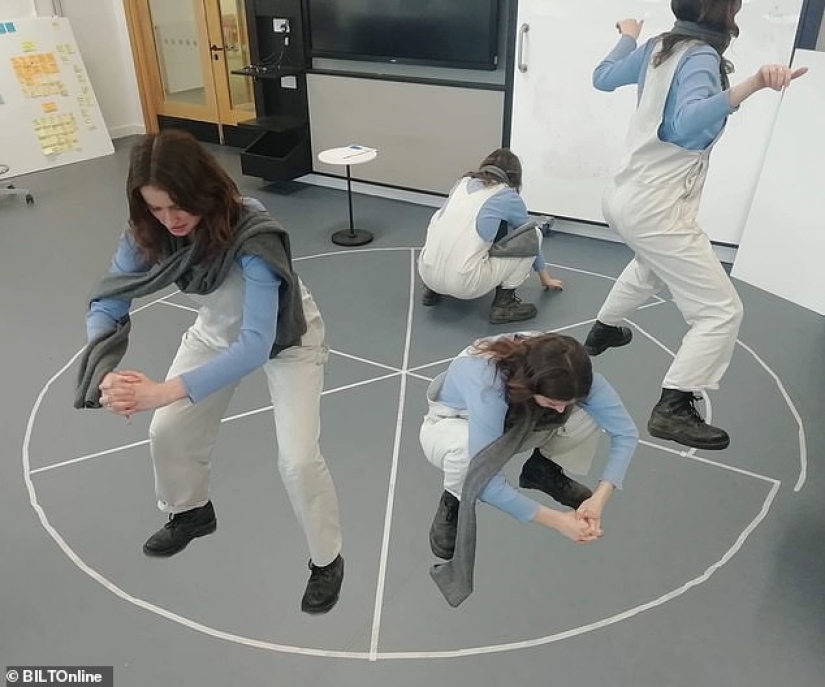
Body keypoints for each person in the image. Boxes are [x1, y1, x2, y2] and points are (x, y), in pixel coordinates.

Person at [75, 130, 344, 615]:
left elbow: (255, 346)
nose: (169, 220)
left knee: (298, 459)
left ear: (204, 190)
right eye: (156, 209)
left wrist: (161, 391)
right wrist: (106, 367)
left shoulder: (251, 234)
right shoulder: (149, 230)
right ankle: (192, 511)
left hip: (287, 337)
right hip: (215, 331)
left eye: (178, 206)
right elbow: (109, 298)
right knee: (168, 431)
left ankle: (327, 559)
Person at [583, 0, 807, 450]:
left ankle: (604, 328)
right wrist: (752, 86)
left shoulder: (659, 46)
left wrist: (627, 33)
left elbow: (602, 78)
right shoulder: (701, 55)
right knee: (721, 311)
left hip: (624, 196)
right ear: (726, 11)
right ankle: (674, 404)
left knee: (649, 265)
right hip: (656, 206)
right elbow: (684, 124)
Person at [420, 332, 638, 562]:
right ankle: (455, 497)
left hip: (517, 418)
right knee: (465, 454)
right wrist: (559, 522)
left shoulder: (569, 369)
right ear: (530, 386)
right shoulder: (487, 388)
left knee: (592, 411)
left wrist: (599, 499)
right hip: (456, 421)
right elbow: (485, 480)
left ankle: (544, 469)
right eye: (553, 402)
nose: (562, 411)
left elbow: (625, 433)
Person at [417, 148, 563, 325]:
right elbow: (529, 237)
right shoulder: (507, 195)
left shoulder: (461, 184)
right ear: (515, 177)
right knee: (535, 234)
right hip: (465, 284)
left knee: (441, 221)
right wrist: (545, 277)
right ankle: (504, 304)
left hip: (427, 273)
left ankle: (433, 290)